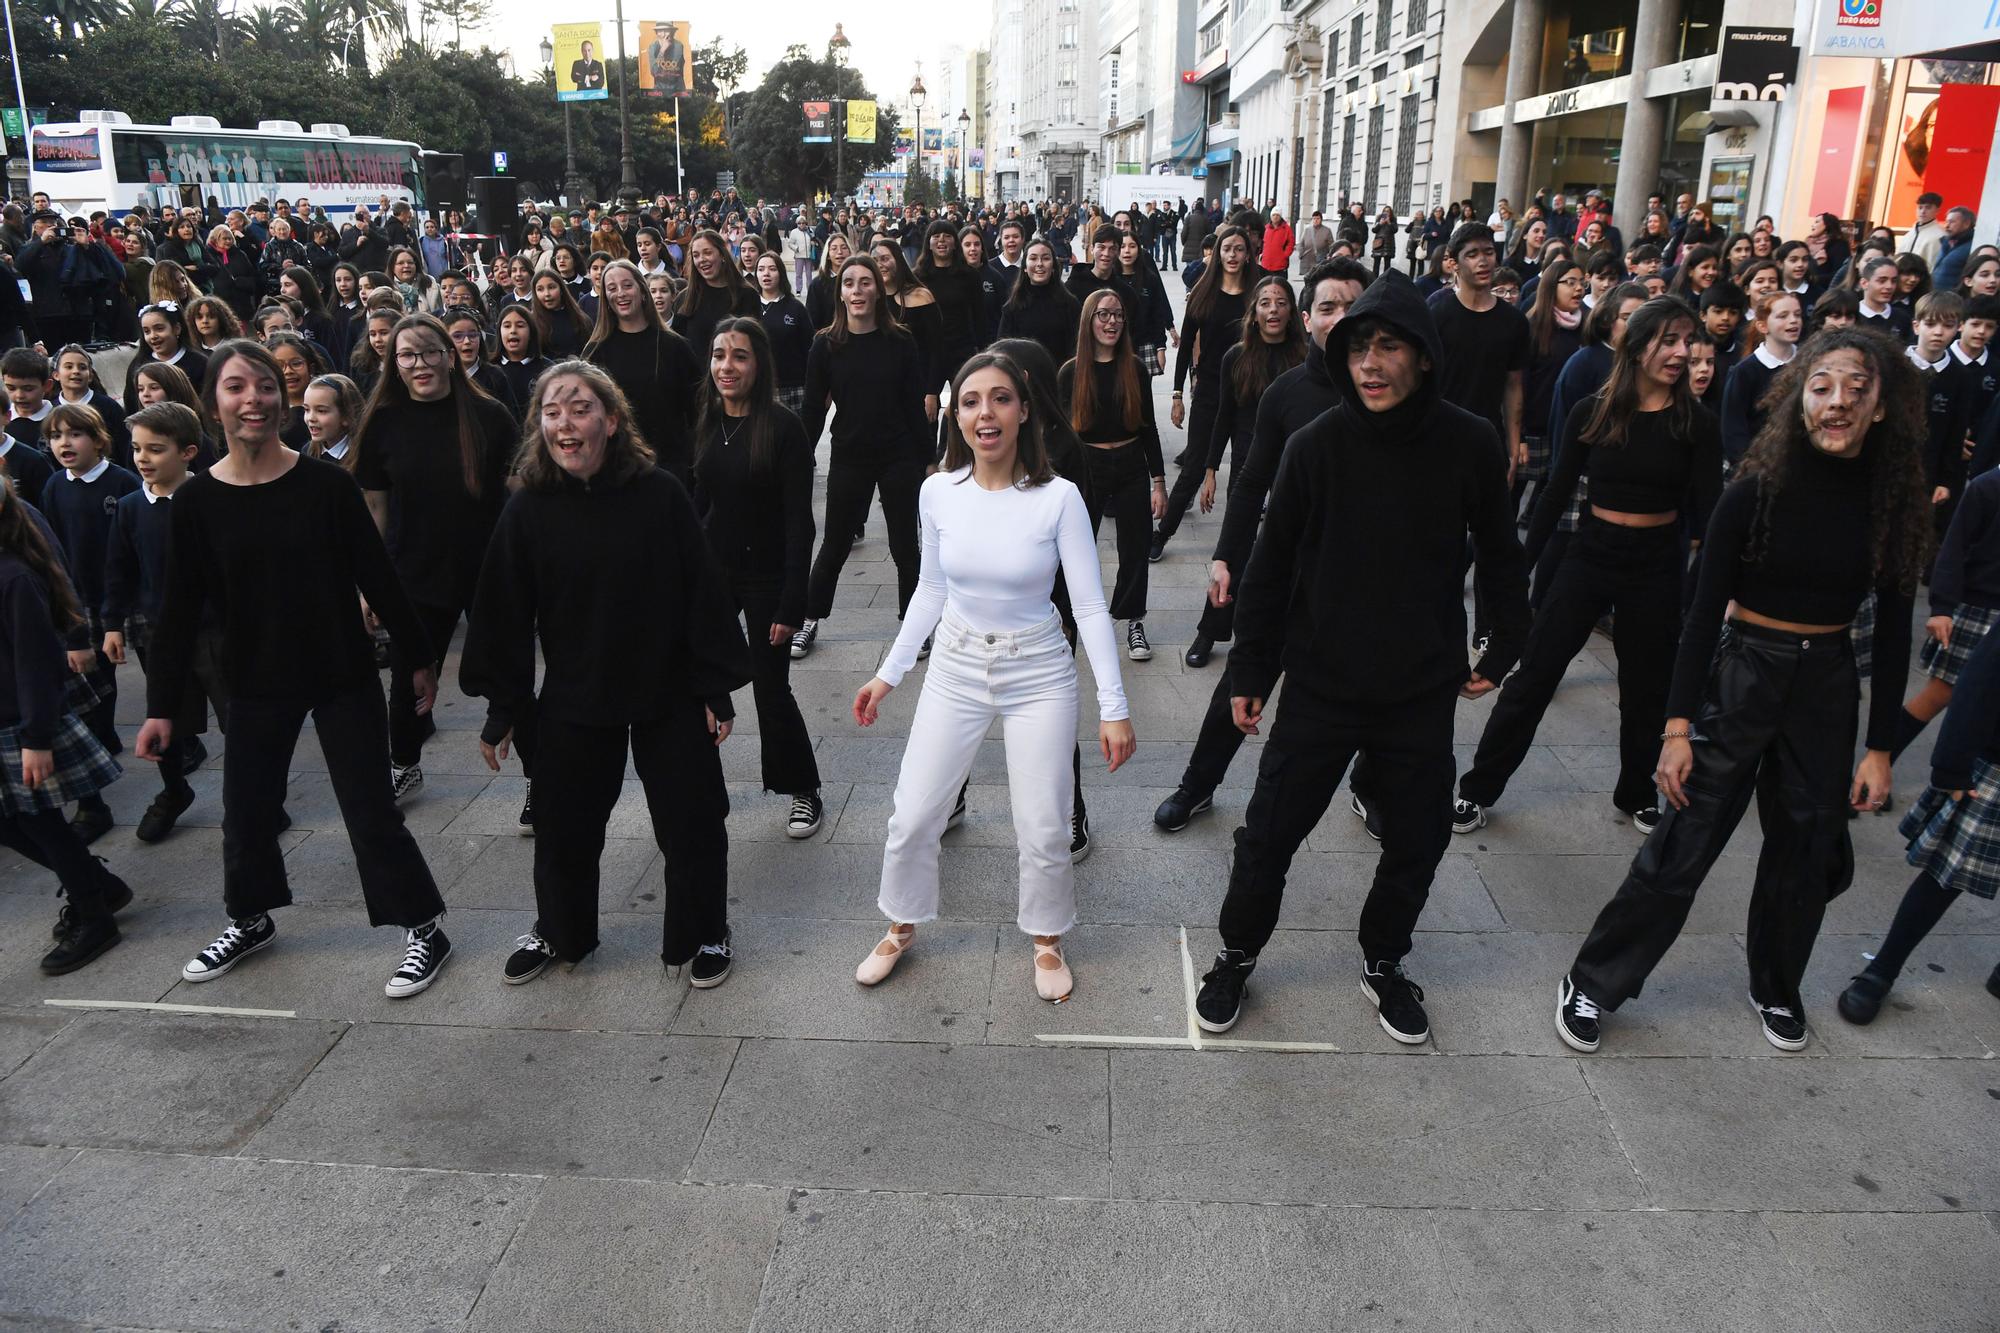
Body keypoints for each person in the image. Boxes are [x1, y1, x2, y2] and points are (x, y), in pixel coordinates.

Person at [1554, 328, 1930, 1054]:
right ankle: (1594, 981)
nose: (1838, 401)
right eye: (1821, 386)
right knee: (1684, 842)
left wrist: (1880, 748)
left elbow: (1890, 639)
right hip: (1745, 669)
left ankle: (1776, 985)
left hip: (1824, 682)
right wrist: (1674, 727)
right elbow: (1699, 618)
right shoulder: (1754, 489)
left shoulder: (1891, 501)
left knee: (1805, 851)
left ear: (1882, 404)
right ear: (1799, 397)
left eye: (1857, 387)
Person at [1192, 273, 1529, 1039]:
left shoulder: (1469, 441)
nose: (1370, 363)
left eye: (1388, 346)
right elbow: (1270, 569)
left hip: (1419, 687)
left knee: (1419, 838)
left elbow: (1505, 557)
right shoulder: (1316, 447)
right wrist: (1249, 673)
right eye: (1357, 348)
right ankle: (1236, 954)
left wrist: (1504, 643)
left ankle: (1384, 959)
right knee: (1269, 834)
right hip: (1322, 682)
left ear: (1424, 357)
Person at [138, 340, 454, 999]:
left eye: (265, 384)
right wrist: (163, 706)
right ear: (213, 402)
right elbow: (177, 612)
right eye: (235, 386)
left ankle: (424, 929)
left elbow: (380, 576)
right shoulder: (197, 503)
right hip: (253, 676)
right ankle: (249, 918)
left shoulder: (325, 485)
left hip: (340, 671)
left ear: (281, 399)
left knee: (370, 811)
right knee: (246, 810)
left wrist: (419, 659)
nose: (253, 397)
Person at [850, 351, 1136, 1001]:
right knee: (913, 812)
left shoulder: (1058, 498)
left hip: (1038, 667)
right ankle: (900, 924)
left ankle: (1046, 936)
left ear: (1024, 410)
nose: (986, 412)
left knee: (1043, 823)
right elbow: (929, 589)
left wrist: (1113, 705)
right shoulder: (936, 492)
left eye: (1001, 398)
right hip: (954, 662)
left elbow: (1089, 603)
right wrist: (889, 672)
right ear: (956, 413)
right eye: (971, 399)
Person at [462, 360, 748, 986]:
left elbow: (702, 591)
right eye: (552, 411)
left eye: (580, 408)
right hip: (575, 690)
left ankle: (706, 930)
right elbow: (503, 612)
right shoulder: (528, 508)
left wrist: (714, 690)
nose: (566, 422)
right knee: (563, 825)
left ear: (612, 420)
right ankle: (559, 930)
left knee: (693, 820)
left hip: (666, 686)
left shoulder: (661, 493)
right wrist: (504, 707)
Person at [1456, 298, 1722, 837]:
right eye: (1668, 340)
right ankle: (1477, 790)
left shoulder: (1695, 423)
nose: (1681, 353)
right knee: (1533, 676)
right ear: (1637, 345)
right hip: (1591, 553)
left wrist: (1704, 591)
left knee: (1647, 688)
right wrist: (1518, 571)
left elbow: (1710, 515)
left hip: (1656, 564)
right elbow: (1553, 497)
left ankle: (1636, 792)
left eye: (1687, 341)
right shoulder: (1593, 412)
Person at [355, 313, 521, 804]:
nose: (419, 363)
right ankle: (403, 764)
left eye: (430, 352)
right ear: (393, 363)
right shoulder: (382, 420)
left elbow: (520, 493)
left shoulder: (490, 416)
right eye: (407, 355)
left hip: (488, 568)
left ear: (451, 356)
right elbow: (375, 509)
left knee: (509, 674)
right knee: (408, 678)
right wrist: (369, 583)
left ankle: (538, 780)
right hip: (415, 572)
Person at [0, 458, 131, 975]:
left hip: (21, 724)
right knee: (14, 822)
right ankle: (99, 885)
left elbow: (36, 665)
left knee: (43, 822)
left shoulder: (12, 577)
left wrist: (36, 736)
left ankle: (95, 914)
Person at [694, 316, 823, 836]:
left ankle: (802, 789)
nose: (727, 366)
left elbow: (800, 522)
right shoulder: (705, 421)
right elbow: (697, 502)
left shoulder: (783, 428)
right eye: (720, 354)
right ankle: (701, 791)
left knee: (771, 690)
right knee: (698, 683)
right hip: (714, 573)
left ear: (759, 363)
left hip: (768, 576)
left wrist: (795, 600)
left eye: (740, 355)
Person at [789, 257, 929, 661]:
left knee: (906, 546)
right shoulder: (825, 344)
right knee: (834, 543)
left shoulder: (900, 340)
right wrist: (796, 457)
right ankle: (808, 619)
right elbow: (814, 410)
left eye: (865, 282)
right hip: (850, 455)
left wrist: (928, 461)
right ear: (840, 293)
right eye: (848, 283)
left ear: (877, 290)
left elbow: (912, 404)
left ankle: (914, 626)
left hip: (898, 455)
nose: (856, 290)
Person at [101, 402, 220, 843]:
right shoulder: (131, 507)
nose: (143, 458)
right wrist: (111, 623)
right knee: (166, 716)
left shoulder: (209, 496)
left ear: (187, 452)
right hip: (161, 633)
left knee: (238, 713)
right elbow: (119, 568)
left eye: (155, 449)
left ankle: (259, 797)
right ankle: (174, 790)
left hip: (216, 630)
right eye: (136, 449)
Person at [1183, 274, 1309, 667]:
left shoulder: (1305, 359)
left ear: (1292, 312)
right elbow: (1223, 418)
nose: (1273, 309)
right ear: (1253, 313)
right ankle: (1211, 630)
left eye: (1281, 302)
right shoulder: (1236, 356)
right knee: (1233, 548)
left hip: (1294, 468)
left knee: (1294, 550)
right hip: (1247, 465)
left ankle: (1289, 633)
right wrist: (1209, 470)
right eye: (1265, 303)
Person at [39, 402, 141, 844]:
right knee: (93, 681)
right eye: (57, 436)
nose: (65, 443)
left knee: (112, 675)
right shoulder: (54, 487)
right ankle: (98, 763)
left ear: (98, 440)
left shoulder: (120, 482)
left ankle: (177, 742)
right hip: (76, 603)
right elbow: (52, 547)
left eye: (74, 434)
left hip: (119, 598)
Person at [1057, 288, 1166, 663]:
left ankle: (1134, 620)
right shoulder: (1071, 372)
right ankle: (1070, 619)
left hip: (1132, 464)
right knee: (1075, 550)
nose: (1112, 322)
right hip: (1087, 468)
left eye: (1117, 315)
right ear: (1089, 320)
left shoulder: (1134, 367)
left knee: (1135, 548)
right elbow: (1060, 437)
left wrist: (1159, 481)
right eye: (1103, 315)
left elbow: (1149, 426)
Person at [1157, 225, 1253, 557]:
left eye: (1239, 249)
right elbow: (1184, 351)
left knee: (1244, 473)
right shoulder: (1203, 293)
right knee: (1195, 467)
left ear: (1247, 254)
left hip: (1248, 394)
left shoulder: (1256, 294)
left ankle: (1238, 545)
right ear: (1217, 253)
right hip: (1210, 392)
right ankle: (1162, 533)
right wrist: (1177, 394)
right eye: (1228, 249)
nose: (1233, 255)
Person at [583, 259, 702, 482]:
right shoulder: (595, 352)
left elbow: (696, 411)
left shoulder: (675, 346)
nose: (621, 293)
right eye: (612, 288)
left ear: (642, 291)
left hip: (670, 466)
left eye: (627, 285)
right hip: (614, 467)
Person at [1721, 290, 1803, 470]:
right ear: (1762, 326)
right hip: (1759, 466)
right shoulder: (1744, 372)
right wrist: (1749, 468)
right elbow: (1733, 429)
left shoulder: (1808, 363)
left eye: (1797, 315)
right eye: (1783, 316)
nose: (1793, 320)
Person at [995, 237, 1081, 368]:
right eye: (1033, 258)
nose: (1039, 263)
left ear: (1053, 266)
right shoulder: (1012, 307)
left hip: (1061, 379)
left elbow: (1078, 348)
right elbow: (1002, 351)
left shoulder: (1070, 304)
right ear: (1024, 267)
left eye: (1045, 258)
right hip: (1024, 380)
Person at [751, 253, 812, 414]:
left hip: (794, 387)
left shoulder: (796, 308)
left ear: (781, 273)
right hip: (759, 387)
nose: (766, 274)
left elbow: (809, 348)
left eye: (772, 269)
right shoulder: (749, 307)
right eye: (761, 269)